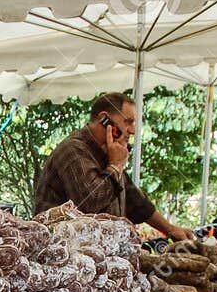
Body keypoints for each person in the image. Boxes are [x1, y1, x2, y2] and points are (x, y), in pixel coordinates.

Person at [32, 92, 192, 239]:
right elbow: (91, 202)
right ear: (104, 119)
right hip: (62, 256)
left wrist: (170, 229)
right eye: (128, 122)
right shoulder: (73, 150)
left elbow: (134, 200)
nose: (133, 130)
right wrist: (115, 165)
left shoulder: (107, 152)